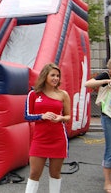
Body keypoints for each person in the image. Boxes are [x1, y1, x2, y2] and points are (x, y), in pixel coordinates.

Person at [24, 63, 71, 193]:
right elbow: (27, 116)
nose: (56, 78)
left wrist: (61, 118)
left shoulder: (63, 94)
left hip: (58, 139)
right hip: (39, 140)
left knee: (55, 174)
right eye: (53, 75)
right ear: (45, 76)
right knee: (34, 173)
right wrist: (42, 116)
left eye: (58, 76)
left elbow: (68, 116)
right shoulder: (33, 94)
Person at [85, 56, 111, 193]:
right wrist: (107, 80)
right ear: (109, 69)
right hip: (108, 115)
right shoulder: (106, 75)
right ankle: (107, 182)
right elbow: (87, 84)